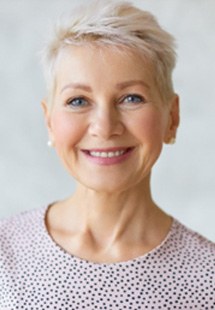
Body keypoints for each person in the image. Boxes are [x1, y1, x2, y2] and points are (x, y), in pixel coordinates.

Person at [0, 0, 214, 309]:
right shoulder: (5, 256)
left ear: (172, 118)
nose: (104, 127)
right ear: (49, 122)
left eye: (131, 98)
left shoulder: (208, 279)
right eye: (77, 101)